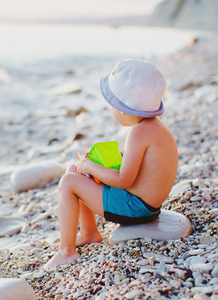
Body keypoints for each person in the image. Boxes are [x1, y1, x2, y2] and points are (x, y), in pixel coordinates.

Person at [44, 59, 178, 268]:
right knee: (74, 171)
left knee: (69, 182)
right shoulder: (156, 129)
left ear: (124, 109)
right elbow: (140, 173)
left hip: (136, 208)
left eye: (112, 105)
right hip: (146, 204)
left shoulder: (138, 133)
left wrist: (91, 167)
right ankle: (89, 233)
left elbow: (125, 180)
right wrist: (96, 168)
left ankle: (66, 251)